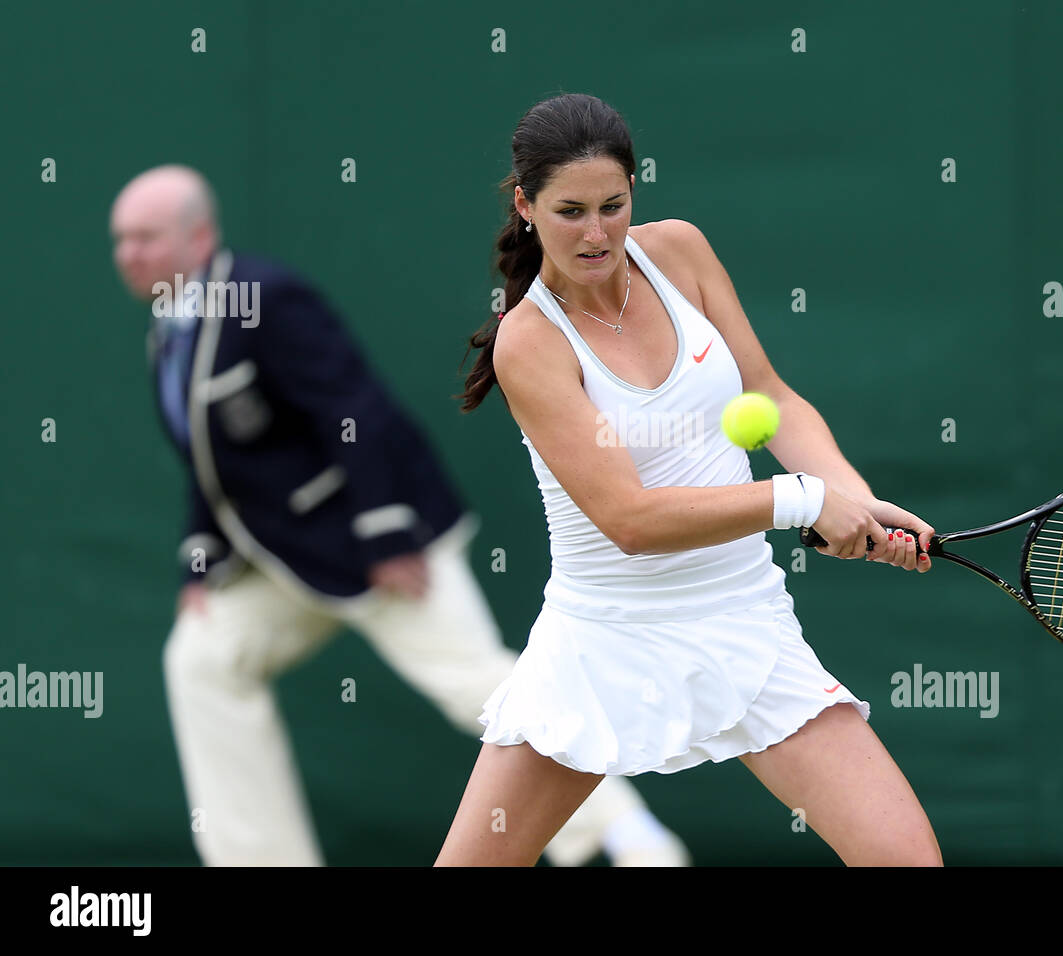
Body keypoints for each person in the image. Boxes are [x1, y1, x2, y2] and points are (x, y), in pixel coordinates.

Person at [109, 164, 689, 867]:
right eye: (121, 240)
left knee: (472, 683)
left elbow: (353, 408)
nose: (128, 255)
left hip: (381, 544)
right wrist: (199, 558)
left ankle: (631, 838)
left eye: (145, 237)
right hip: (288, 558)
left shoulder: (263, 297)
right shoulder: (168, 330)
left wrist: (385, 531)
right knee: (201, 660)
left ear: (198, 236)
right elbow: (214, 464)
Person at [437, 93, 944, 867]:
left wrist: (851, 494)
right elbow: (629, 520)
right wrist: (803, 500)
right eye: (570, 210)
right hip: (599, 642)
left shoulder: (679, 252)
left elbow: (769, 395)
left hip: (744, 621)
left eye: (614, 205)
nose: (597, 232)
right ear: (526, 205)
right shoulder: (529, 343)